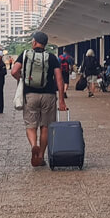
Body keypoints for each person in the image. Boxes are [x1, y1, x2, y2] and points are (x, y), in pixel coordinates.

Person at [10, 31, 67, 166]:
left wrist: (21, 79)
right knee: (45, 126)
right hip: (49, 95)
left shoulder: (25, 55)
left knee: (31, 125)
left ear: (34, 42)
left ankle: (33, 145)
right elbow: (59, 79)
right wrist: (62, 100)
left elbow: (13, 71)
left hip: (30, 95)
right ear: (45, 44)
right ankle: (41, 156)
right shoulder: (52, 58)